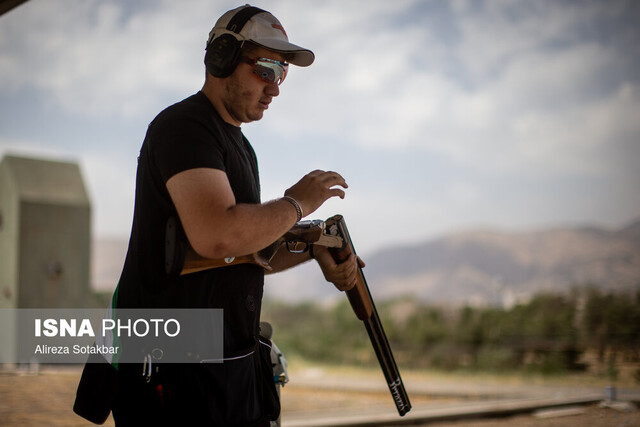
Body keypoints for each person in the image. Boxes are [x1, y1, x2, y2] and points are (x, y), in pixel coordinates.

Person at [74, 4, 362, 427]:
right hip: (172, 372)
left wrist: (311, 250)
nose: (276, 88)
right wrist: (298, 204)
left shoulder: (240, 147)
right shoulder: (185, 128)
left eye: (282, 74)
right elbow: (218, 236)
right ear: (221, 58)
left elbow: (243, 254)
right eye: (266, 68)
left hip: (224, 367)